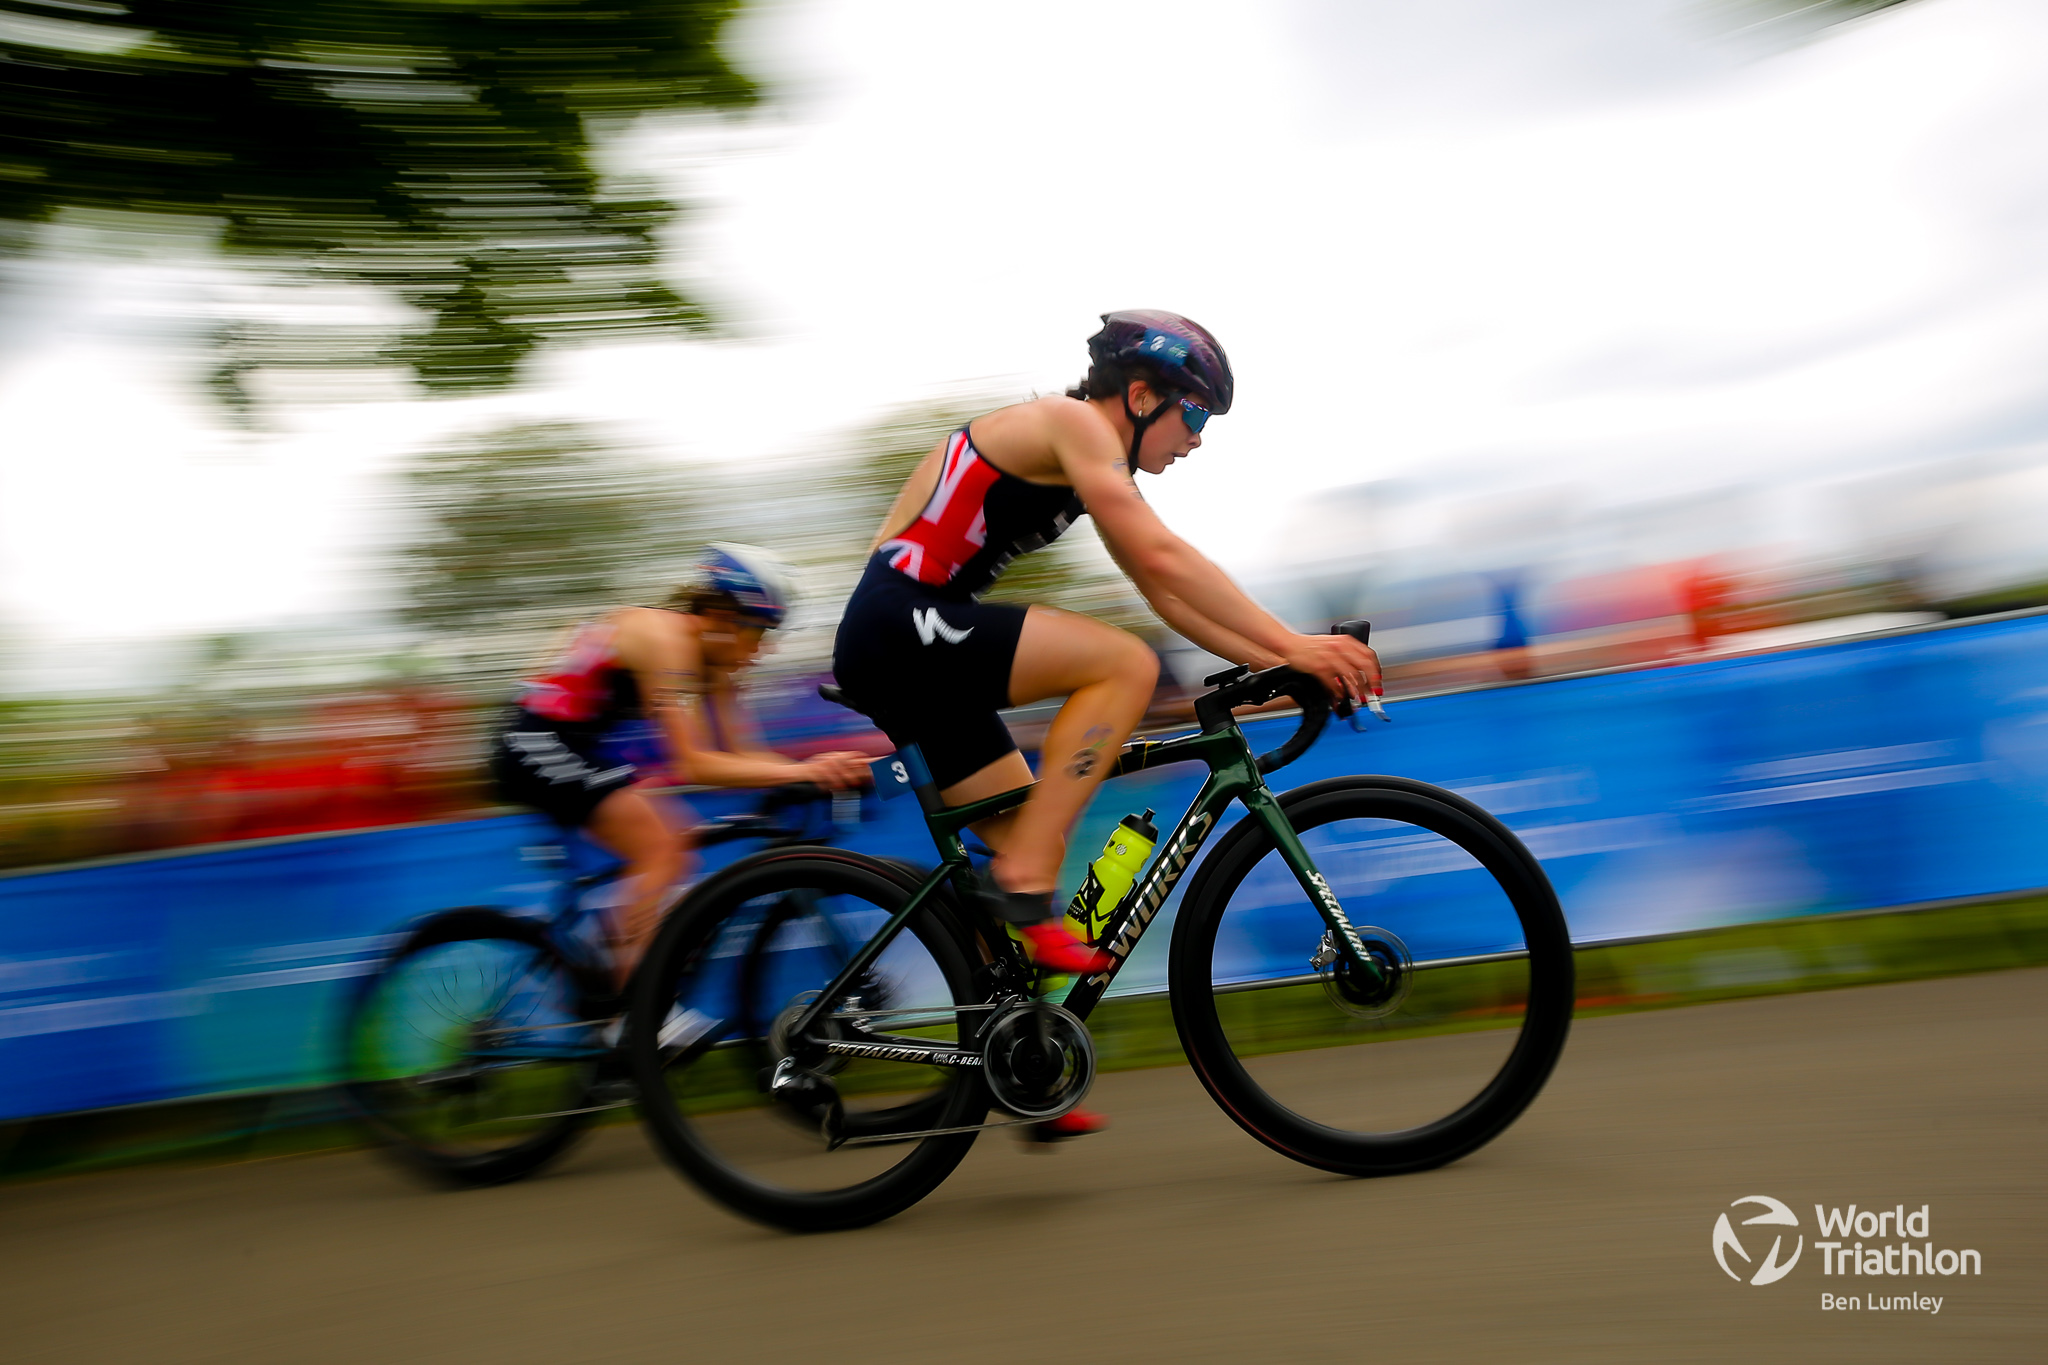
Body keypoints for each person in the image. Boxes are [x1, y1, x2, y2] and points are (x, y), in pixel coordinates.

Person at [832, 311, 1381, 1138]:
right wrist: (1298, 642)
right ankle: (1028, 873)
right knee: (1121, 666)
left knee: (1020, 850)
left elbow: (1164, 592)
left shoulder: (1087, 454)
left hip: (917, 643)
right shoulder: (1072, 423)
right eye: (1194, 415)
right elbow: (1165, 560)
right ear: (1138, 394)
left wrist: (1288, 660)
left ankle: (1018, 1067)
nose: (1196, 440)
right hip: (899, 624)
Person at [491, 544, 871, 995]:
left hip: (575, 744)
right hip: (533, 741)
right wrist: (802, 774)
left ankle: (614, 967)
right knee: (663, 848)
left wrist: (814, 768)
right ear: (724, 618)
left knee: (670, 844)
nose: (765, 650)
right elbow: (693, 763)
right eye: (761, 634)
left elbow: (742, 754)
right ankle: (633, 1014)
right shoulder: (667, 640)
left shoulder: (717, 668)